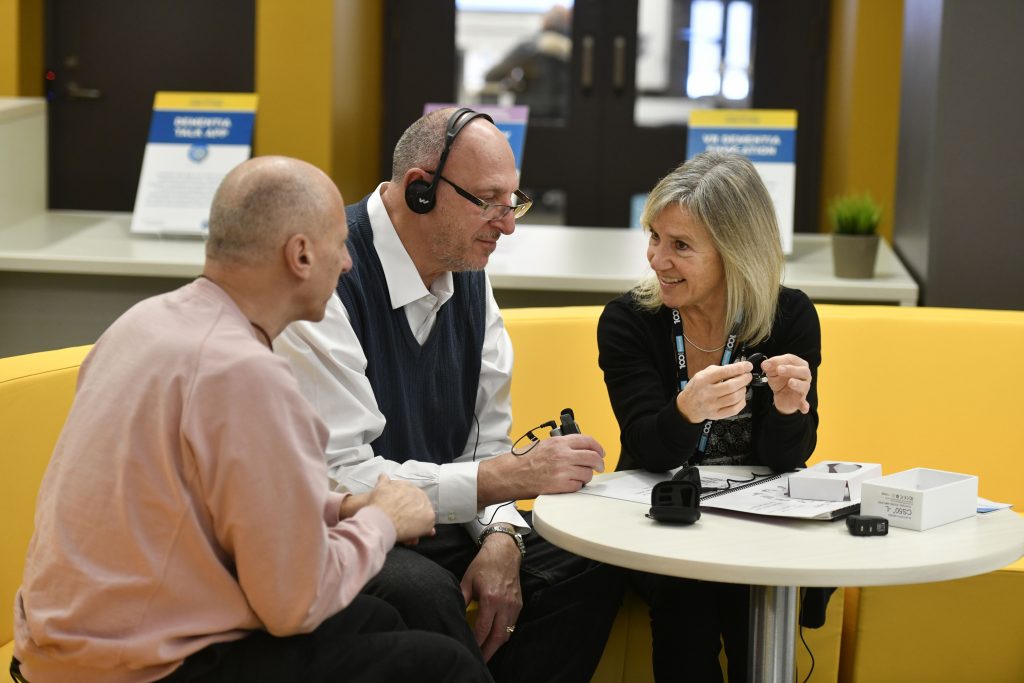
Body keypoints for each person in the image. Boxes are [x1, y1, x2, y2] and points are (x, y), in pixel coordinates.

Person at [11, 156, 492, 683]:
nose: (349, 264)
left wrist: (347, 506)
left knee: (377, 616)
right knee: (441, 667)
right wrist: (383, 522)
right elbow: (295, 605)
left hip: (57, 645)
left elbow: (218, 500)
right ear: (301, 255)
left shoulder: (141, 324)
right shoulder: (246, 373)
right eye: (340, 243)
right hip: (139, 668)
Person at [275, 107, 623, 682]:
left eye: (514, 201)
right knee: (419, 591)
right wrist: (506, 480)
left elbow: (487, 439)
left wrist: (503, 537)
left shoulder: (468, 269)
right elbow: (341, 476)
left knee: (586, 562)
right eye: (488, 201)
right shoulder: (326, 278)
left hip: (443, 522)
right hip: (346, 527)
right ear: (418, 191)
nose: (507, 225)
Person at [596, 151, 821, 682]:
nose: (657, 259)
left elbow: (788, 458)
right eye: (654, 237)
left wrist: (790, 411)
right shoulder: (629, 321)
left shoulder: (789, 317)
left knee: (759, 601)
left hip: (756, 521)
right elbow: (646, 450)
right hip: (661, 518)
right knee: (685, 597)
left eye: (680, 246)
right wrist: (686, 410)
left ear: (734, 252)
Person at [484, 5, 571, 119]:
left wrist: (515, 81)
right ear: (568, 23)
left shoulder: (529, 45)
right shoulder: (579, 50)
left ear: (545, 22)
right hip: (564, 115)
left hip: (530, 115)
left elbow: (491, 75)